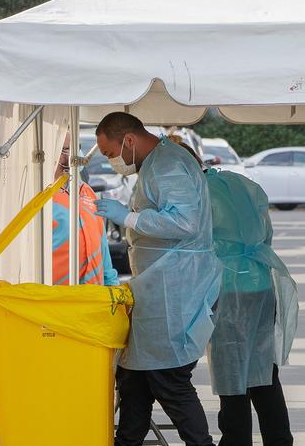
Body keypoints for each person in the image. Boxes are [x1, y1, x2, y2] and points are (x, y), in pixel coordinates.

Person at [93, 112, 222, 446]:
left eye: (111, 153)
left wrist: (129, 217)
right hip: (159, 286)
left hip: (175, 289)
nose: (112, 162)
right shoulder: (155, 162)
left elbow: (185, 222)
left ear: (130, 140)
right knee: (134, 380)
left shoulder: (166, 165)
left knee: (169, 380)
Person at [177, 142, 298, 446]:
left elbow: (189, 248)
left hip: (229, 290)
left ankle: (236, 440)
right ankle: (280, 439)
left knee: (233, 376)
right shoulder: (237, 183)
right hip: (260, 283)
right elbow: (265, 234)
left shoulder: (197, 196)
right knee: (263, 372)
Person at [52, 134, 120, 286]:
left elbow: (103, 252)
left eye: (77, 148)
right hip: (56, 301)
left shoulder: (86, 192)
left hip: (92, 300)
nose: (75, 155)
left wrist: (113, 289)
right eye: (67, 149)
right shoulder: (42, 198)